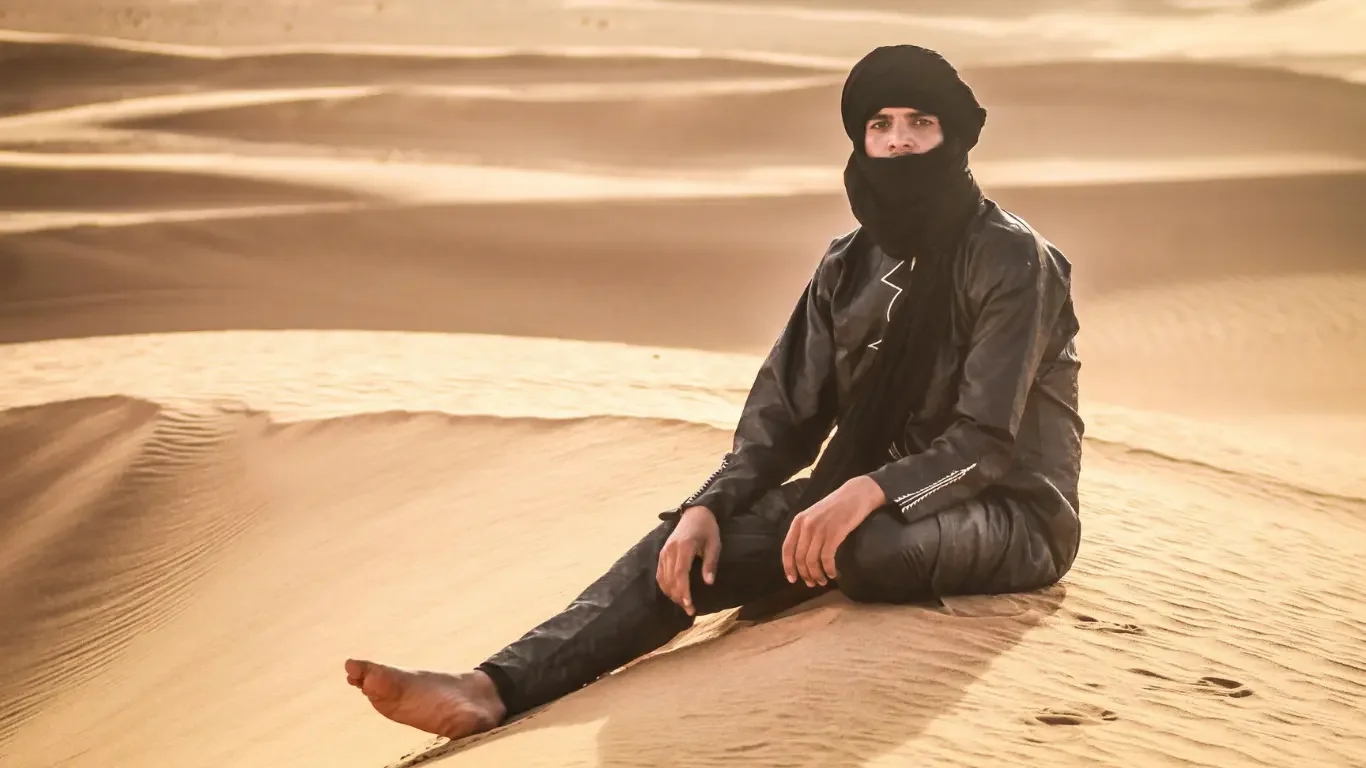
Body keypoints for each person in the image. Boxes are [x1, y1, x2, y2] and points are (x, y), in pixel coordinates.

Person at [344, 44, 1083, 741]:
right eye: (879, 125)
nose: (897, 142)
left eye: (920, 124)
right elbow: (783, 416)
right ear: (858, 143)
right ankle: (491, 687)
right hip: (855, 499)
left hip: (1011, 511)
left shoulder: (1013, 260)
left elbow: (988, 440)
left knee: (868, 547)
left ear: (953, 139)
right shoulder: (847, 265)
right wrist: (710, 504)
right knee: (683, 544)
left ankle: (818, 555)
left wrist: (871, 490)